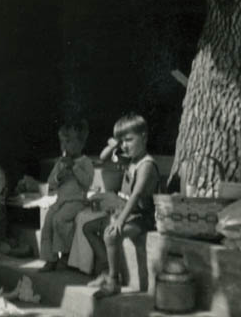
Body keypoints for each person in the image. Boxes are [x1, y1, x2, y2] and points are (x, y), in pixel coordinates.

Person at [81, 113, 161, 298]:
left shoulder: (146, 164)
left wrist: (120, 221)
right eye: (122, 141)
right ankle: (107, 271)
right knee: (89, 228)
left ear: (144, 137)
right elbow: (103, 158)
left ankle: (114, 281)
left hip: (142, 218)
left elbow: (136, 195)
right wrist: (114, 145)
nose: (125, 145)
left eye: (129, 140)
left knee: (110, 235)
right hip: (126, 212)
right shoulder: (131, 159)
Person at [40, 119, 94, 272]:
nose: (64, 146)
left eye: (68, 142)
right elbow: (51, 182)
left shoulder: (85, 162)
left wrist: (74, 168)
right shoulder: (60, 162)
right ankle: (50, 258)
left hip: (76, 201)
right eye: (62, 142)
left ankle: (66, 255)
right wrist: (59, 176)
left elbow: (87, 182)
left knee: (60, 219)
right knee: (48, 220)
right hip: (61, 200)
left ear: (81, 143)